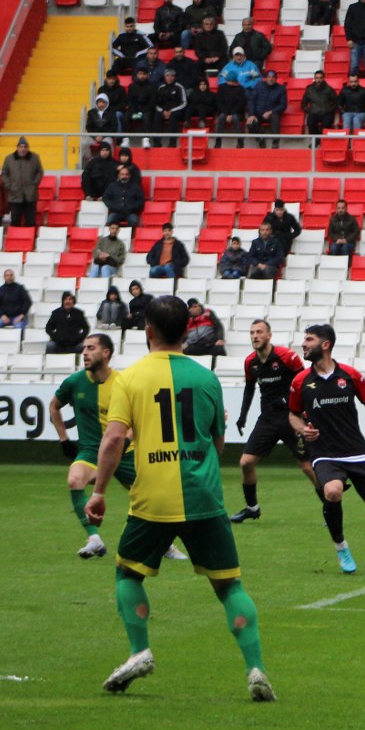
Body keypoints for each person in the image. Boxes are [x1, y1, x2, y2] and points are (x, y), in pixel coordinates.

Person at [84, 296, 273, 701]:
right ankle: (255, 667)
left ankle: (140, 651)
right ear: (187, 331)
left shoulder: (129, 379)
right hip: (203, 496)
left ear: (148, 330)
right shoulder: (207, 379)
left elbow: (114, 439)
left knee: (127, 574)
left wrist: (98, 492)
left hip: (153, 498)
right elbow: (218, 443)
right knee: (229, 585)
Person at [287, 324, 365, 577]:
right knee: (332, 491)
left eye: (309, 339)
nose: (304, 344)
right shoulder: (300, 381)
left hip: (357, 451)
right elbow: (293, 415)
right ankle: (342, 549)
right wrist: (302, 429)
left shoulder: (350, 375)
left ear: (325, 344)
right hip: (325, 453)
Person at [50, 333, 138, 559]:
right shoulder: (74, 382)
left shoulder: (124, 382)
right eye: (84, 349)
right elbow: (54, 406)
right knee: (74, 480)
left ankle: (163, 543)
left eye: (90, 348)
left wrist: (126, 439)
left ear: (106, 353)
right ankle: (94, 539)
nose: (84, 353)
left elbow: (139, 417)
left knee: (150, 498)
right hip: (91, 451)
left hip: (125, 452)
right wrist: (63, 439)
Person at [229, 319, 318, 524]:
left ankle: (330, 505)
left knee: (306, 466)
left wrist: (304, 412)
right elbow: (249, 389)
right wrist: (242, 416)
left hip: (291, 417)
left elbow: (304, 382)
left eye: (259, 332)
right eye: (252, 333)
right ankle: (252, 508)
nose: (255, 336)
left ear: (269, 335)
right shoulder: (250, 362)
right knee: (246, 463)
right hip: (268, 418)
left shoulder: (287, 356)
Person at [245, 70, 288, 147]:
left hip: (272, 113)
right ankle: (260, 139)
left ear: (276, 79)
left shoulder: (281, 89)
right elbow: (251, 100)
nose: (271, 79)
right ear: (266, 78)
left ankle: (275, 142)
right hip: (258, 114)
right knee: (250, 123)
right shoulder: (259, 86)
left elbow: (283, 105)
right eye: (269, 77)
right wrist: (251, 114)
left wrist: (271, 112)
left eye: (273, 77)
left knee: (275, 117)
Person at [300, 69, 338, 136]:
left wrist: (329, 110)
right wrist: (309, 110)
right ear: (314, 79)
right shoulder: (309, 89)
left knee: (327, 124)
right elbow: (303, 103)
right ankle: (315, 140)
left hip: (326, 113)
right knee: (310, 123)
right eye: (317, 78)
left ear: (323, 78)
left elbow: (336, 102)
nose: (319, 80)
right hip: (314, 112)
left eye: (320, 78)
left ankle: (322, 140)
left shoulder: (329, 89)